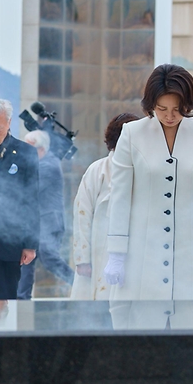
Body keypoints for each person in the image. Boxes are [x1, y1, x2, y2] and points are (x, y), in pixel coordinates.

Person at [103, 64, 193, 306]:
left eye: (178, 109)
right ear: (151, 105)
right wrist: (116, 252)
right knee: (139, 331)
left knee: (189, 329)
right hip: (140, 250)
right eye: (162, 109)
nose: (170, 116)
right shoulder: (131, 133)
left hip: (190, 250)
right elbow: (120, 196)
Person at [70, 113, 140, 300]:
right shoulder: (97, 170)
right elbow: (81, 215)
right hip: (99, 252)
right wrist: (82, 259)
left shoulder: (147, 170)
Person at [0, 98, 39, 300]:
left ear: (9, 123)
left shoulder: (25, 153)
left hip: (8, 244)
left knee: (7, 307)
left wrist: (30, 243)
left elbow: (31, 200)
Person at [17, 130, 74, 298]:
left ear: (40, 149)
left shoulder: (49, 165)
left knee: (50, 259)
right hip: (35, 224)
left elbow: (27, 189)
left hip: (48, 223)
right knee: (26, 261)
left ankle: (79, 285)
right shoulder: (38, 164)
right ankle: (21, 299)